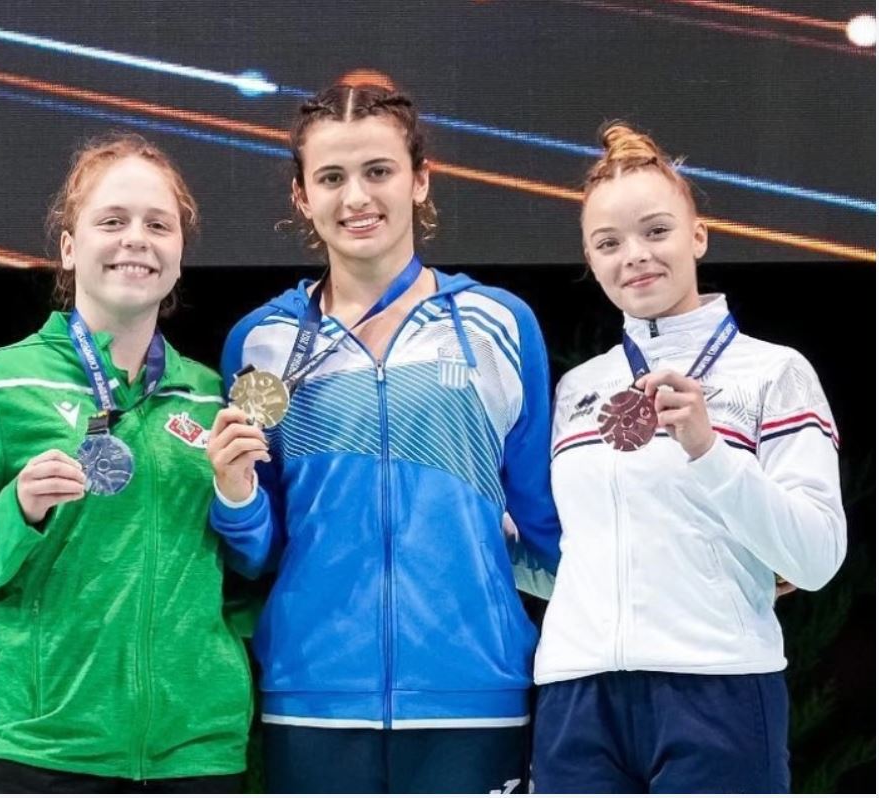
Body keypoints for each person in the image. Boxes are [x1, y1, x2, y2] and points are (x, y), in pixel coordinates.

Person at [205, 83, 561, 794]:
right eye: (331, 178)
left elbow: (547, 522)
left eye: (378, 171)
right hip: (312, 693)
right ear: (302, 196)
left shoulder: (499, 324)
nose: (357, 197)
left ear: (420, 180)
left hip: (475, 689)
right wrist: (234, 495)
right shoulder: (262, 341)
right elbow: (258, 551)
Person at [0, 134, 252, 793]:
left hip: (198, 758)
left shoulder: (212, 398)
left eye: (158, 225)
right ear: (68, 246)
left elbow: (246, 580)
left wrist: (244, 505)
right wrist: (17, 510)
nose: (136, 239)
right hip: (43, 753)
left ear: (179, 255)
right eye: (112, 221)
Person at [531, 123, 847, 793]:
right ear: (590, 259)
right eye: (609, 243)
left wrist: (708, 449)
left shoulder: (774, 372)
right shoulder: (576, 388)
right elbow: (579, 556)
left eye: (656, 231)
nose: (635, 256)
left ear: (697, 236)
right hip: (576, 694)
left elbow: (816, 558)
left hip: (718, 689)